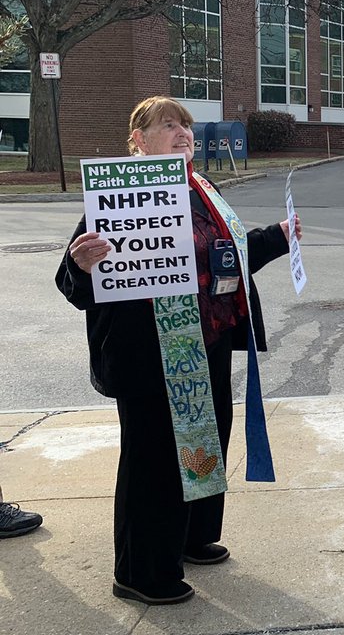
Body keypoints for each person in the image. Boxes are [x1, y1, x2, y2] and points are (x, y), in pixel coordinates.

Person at [56, 96, 299, 605]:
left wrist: (275, 239)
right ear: (139, 140)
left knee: (204, 442)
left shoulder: (201, 189)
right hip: (148, 352)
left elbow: (222, 257)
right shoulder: (123, 193)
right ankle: (141, 572)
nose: (183, 131)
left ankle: (189, 537)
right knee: (155, 459)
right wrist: (80, 265)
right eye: (168, 124)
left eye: (186, 124)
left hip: (203, 341)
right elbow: (74, 282)